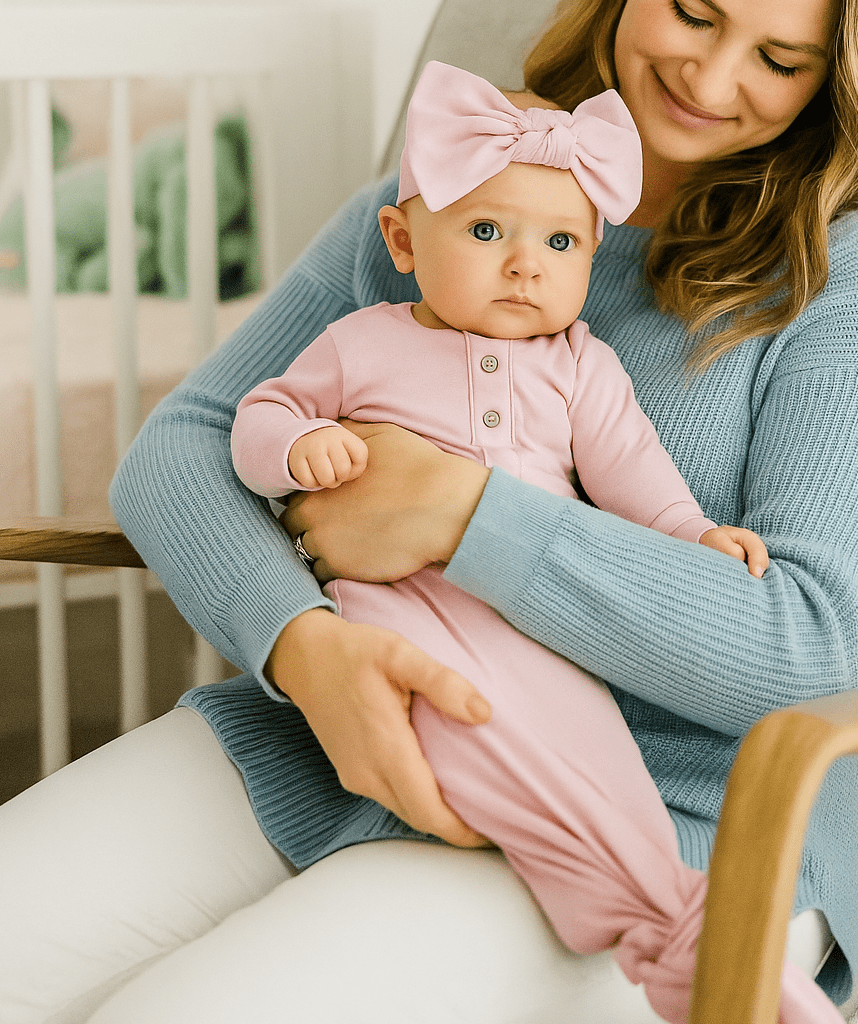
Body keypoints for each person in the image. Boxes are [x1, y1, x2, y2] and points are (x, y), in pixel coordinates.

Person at [0, 0, 858, 1020]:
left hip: (655, 826)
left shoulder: (853, 266)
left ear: (836, 78)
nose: (710, 77)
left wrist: (462, 515)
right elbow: (181, 448)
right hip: (325, 732)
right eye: (694, 13)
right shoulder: (442, 187)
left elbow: (806, 639)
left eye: (779, 60)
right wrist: (303, 646)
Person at [229, 59, 820, 1024]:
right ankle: (657, 926)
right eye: (487, 230)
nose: (524, 265)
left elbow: (641, 485)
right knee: (468, 736)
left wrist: (698, 539)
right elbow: (256, 416)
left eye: (559, 242)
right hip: (391, 603)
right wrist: (301, 445)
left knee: (594, 757)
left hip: (533, 621)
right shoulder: (364, 340)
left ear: (594, 253)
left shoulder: (583, 367)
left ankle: (679, 925)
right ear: (403, 238)